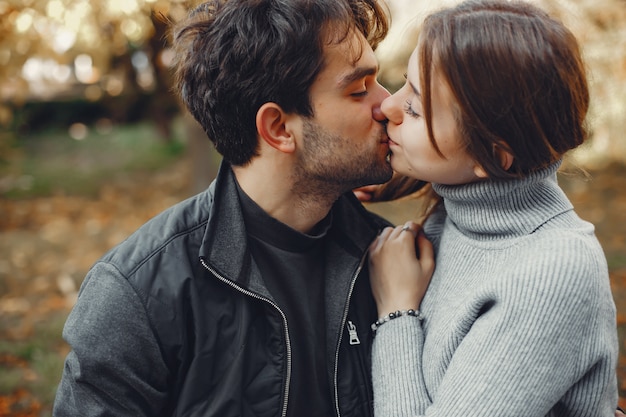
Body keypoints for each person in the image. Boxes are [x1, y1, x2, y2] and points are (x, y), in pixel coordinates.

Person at [52, 0, 404, 415]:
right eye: (359, 89)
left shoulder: (394, 261)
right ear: (277, 128)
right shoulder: (141, 294)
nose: (391, 104)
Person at [365, 0, 621, 416]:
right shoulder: (467, 189)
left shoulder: (550, 276)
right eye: (404, 85)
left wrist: (395, 310)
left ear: (491, 156)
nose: (388, 108)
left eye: (413, 107)